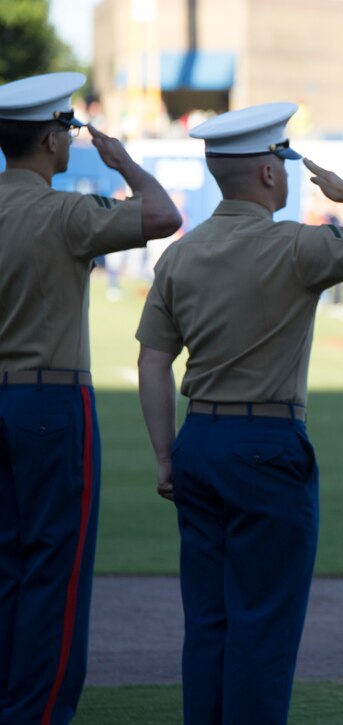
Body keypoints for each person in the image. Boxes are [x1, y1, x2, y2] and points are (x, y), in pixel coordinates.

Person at [134, 102, 343, 724]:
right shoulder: (295, 246)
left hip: (198, 443)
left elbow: (153, 363)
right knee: (262, 629)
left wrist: (166, 455)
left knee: (208, 625)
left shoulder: (179, 257)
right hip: (266, 444)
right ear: (270, 174)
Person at [0, 72, 181, 723]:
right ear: (53, 139)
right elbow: (164, 214)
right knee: (56, 571)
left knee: (7, 568)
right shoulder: (63, 210)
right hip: (49, 402)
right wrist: (124, 160)